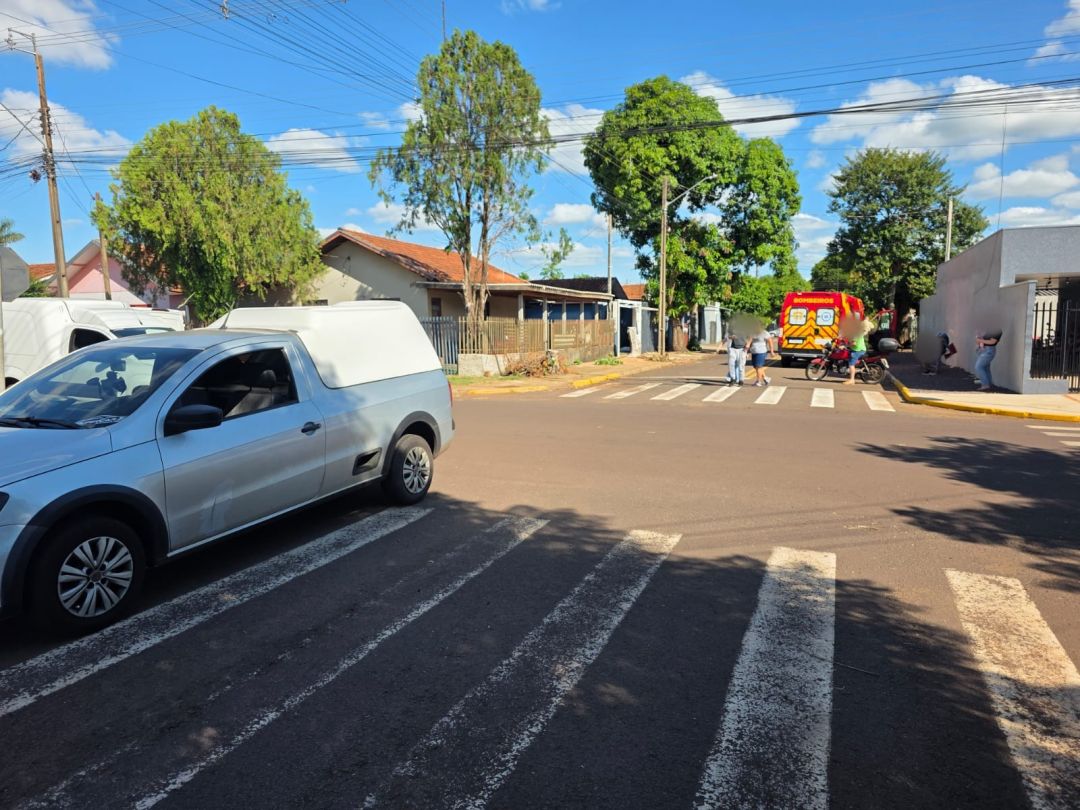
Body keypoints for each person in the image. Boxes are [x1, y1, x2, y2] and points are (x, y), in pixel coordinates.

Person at [843, 316, 870, 385]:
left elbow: (854, 343)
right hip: (859, 349)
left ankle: (852, 380)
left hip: (858, 350)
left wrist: (845, 346)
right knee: (850, 361)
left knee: (851, 364)